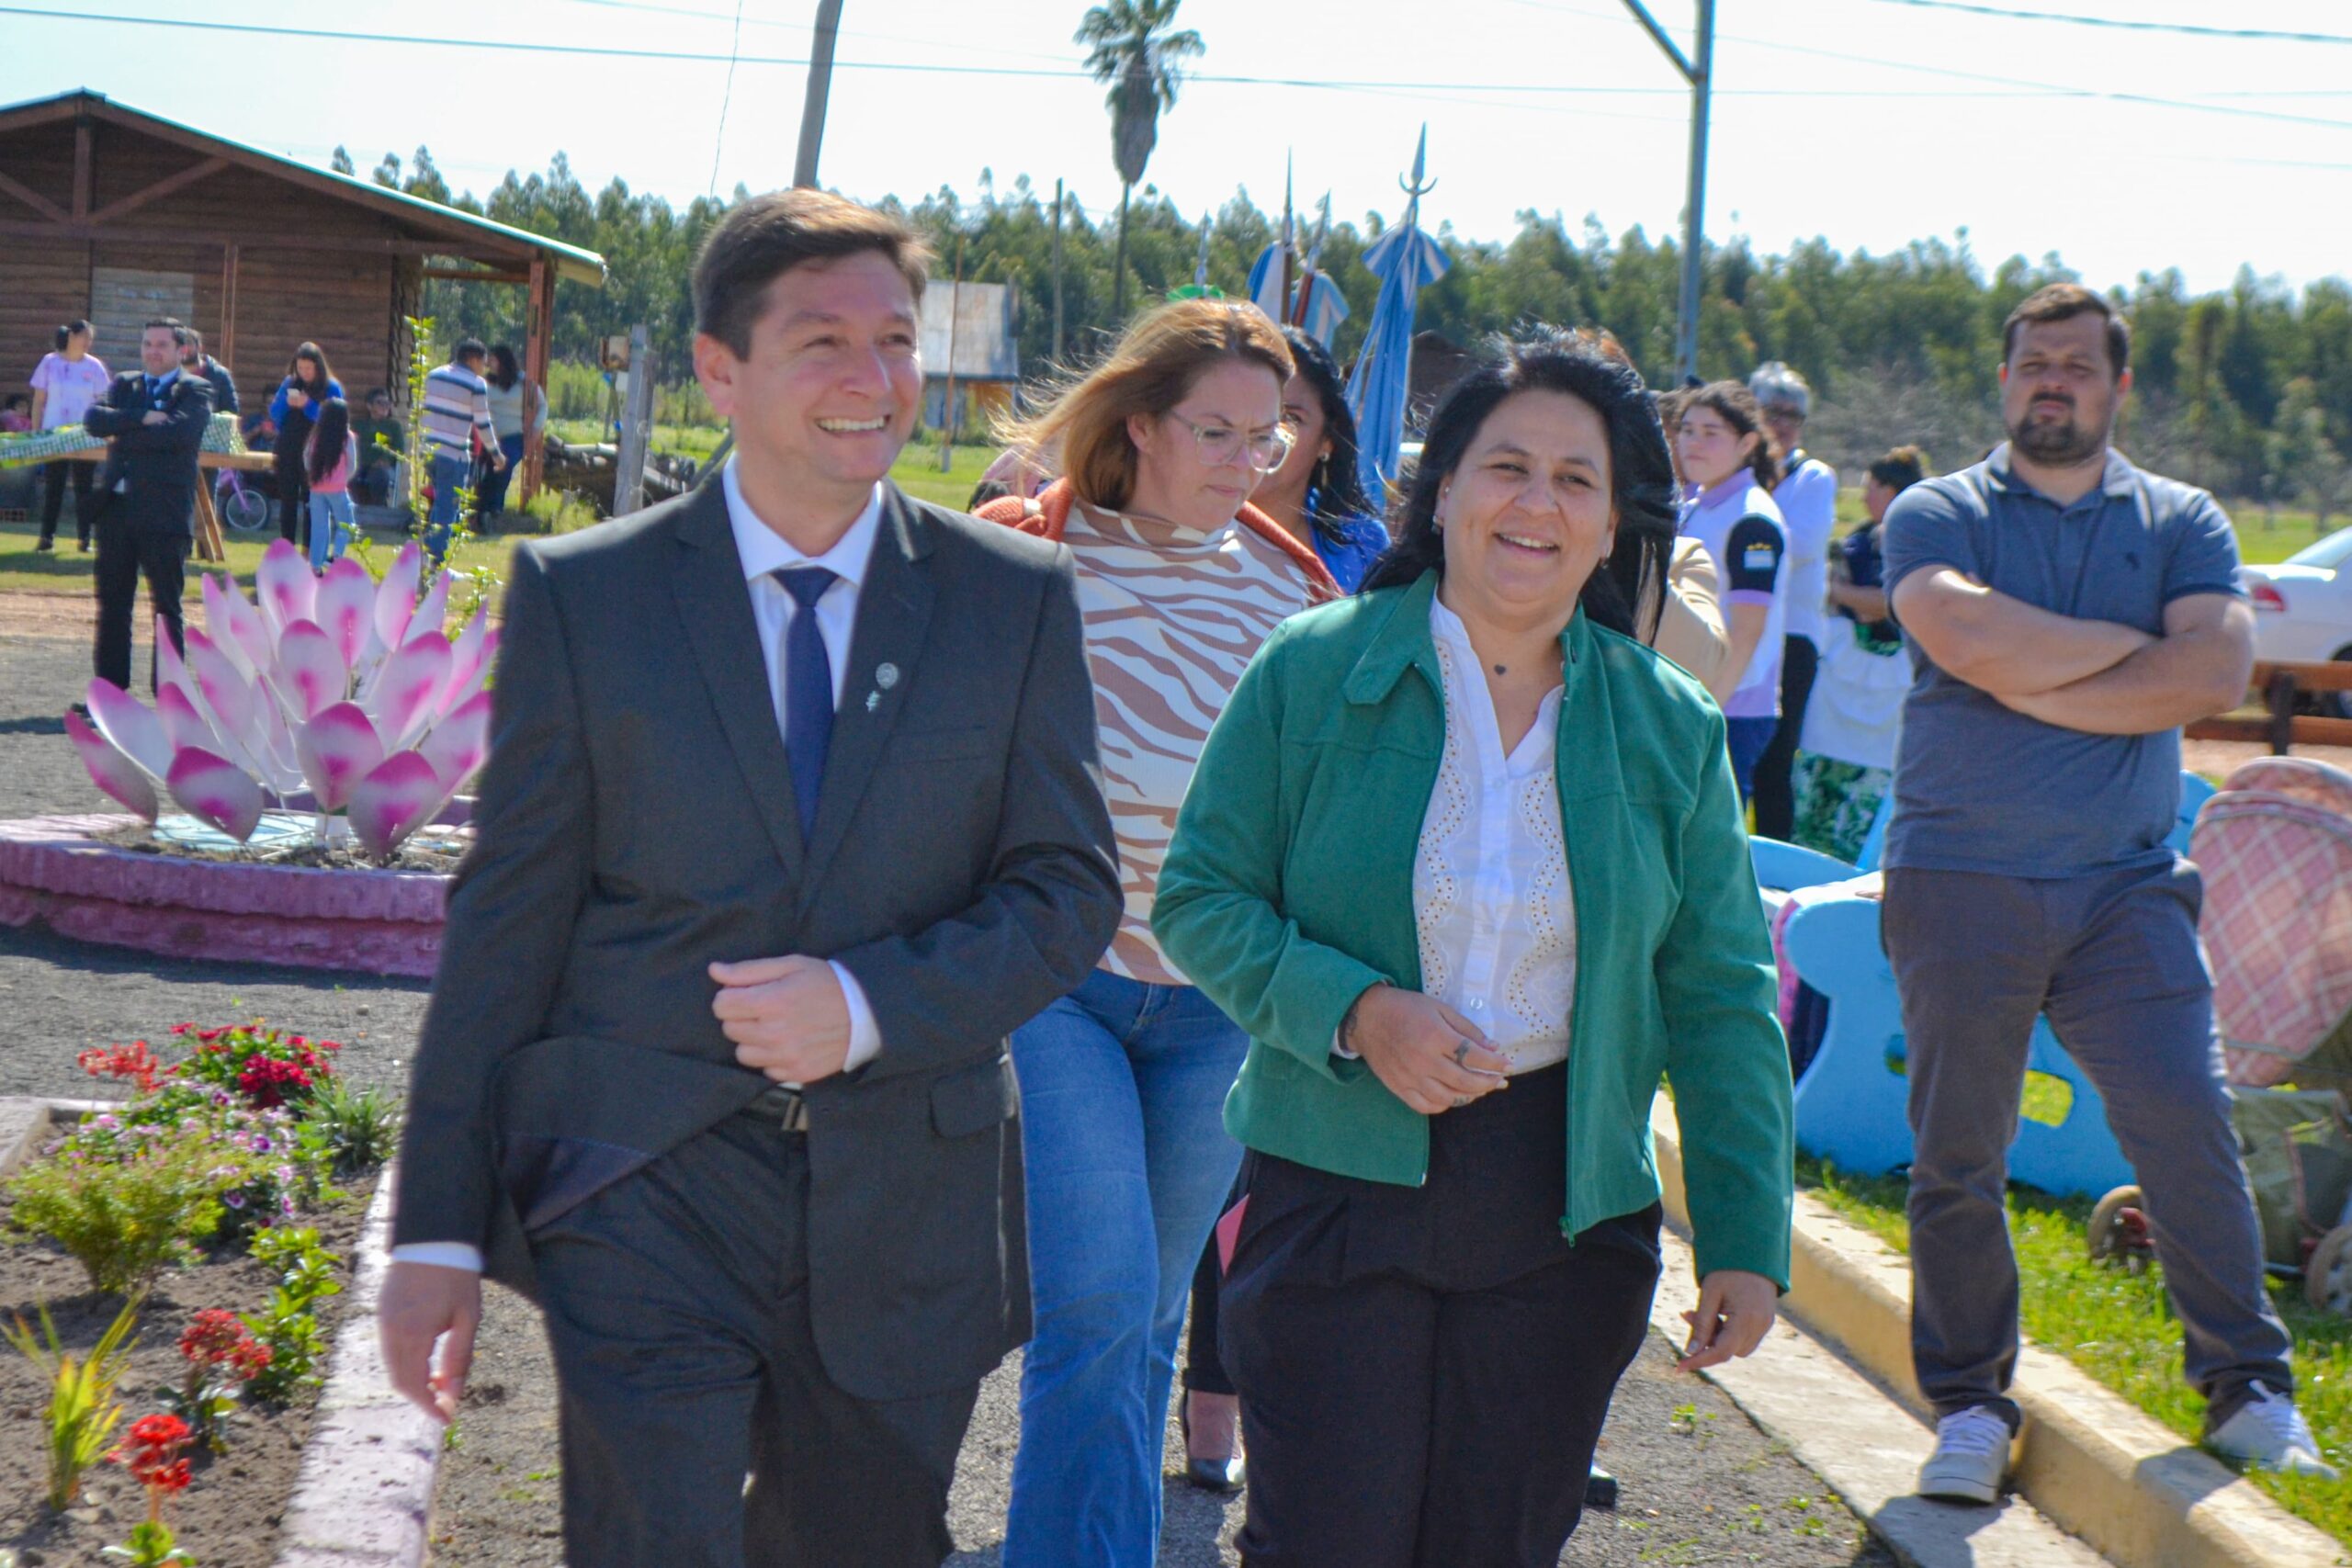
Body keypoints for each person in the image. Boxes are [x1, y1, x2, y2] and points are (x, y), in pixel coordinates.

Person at [377, 188, 1122, 1568]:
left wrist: (868, 1004)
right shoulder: (585, 596)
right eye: (822, 341)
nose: (872, 378)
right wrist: (436, 1230)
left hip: (905, 1199)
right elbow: (508, 922)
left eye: (893, 340)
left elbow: (1067, 890)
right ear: (719, 370)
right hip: (639, 1180)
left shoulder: (1012, 597)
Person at [1152, 332, 1793, 1567]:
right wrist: (1357, 1010)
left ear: (1612, 526)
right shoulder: (1311, 668)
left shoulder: (1669, 723)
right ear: (1441, 489)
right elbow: (1201, 899)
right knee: (1325, 1545)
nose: (1535, 503)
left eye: (1574, 478)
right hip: (1333, 1182)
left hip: (1563, 1212)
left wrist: (1745, 1236)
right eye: (1506, 466)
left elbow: (1721, 994)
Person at [1883, 282, 2325, 1502]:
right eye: (2035, 361)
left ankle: (2248, 1388)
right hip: (1959, 872)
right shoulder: (1938, 509)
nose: (2053, 381)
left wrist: (2028, 669)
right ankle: (1970, 1406)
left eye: (2078, 364)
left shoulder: (2182, 519)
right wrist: (2135, 655)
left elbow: (2217, 668)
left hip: (2126, 885)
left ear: (2118, 386)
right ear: (2005, 378)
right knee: (1958, 1153)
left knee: (2187, 1116)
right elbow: (1958, 636)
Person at [971, 299, 1337, 1568]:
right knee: (1101, 1305)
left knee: (1144, 1326)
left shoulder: (1298, 592)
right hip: (1057, 984)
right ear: (1140, 423)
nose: (1250, 459)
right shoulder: (1025, 551)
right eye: (1216, 431)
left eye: (1269, 434)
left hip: (1216, 1006)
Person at [1787, 445, 1926, 863]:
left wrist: (1840, 591)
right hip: (1843, 675)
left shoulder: (1920, 541)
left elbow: (1890, 603)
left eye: (1872, 488)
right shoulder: (1859, 541)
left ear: (1891, 490)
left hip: (1897, 678)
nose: (1865, 497)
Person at [84, 318, 211, 694]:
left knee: (166, 609)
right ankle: (111, 693)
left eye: (161, 345)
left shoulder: (195, 389)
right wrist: (139, 417)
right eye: (147, 344)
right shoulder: (125, 384)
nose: (153, 351)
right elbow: (93, 420)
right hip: (116, 510)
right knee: (112, 605)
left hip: (164, 514)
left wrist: (122, 432)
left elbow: (178, 435)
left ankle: (169, 694)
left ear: (181, 350)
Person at [1675, 380, 1789, 801]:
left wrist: (1708, 711)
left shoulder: (1751, 519)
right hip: (1689, 698)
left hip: (1730, 708)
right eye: (1687, 430)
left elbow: (1747, 631)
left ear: (1746, 443)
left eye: (1711, 433)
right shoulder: (1695, 506)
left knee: (1712, 832)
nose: (1693, 443)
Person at [1747, 363, 1837, 840]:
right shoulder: (1736, 476)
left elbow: (1798, 545)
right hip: (1739, 632)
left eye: (1792, 416)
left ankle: (1774, 864)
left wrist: (1742, 534)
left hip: (1792, 638)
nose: (1780, 425)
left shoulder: (1813, 477)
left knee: (1775, 764)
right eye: (1771, 412)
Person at [1250, 326, 1390, 592]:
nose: (1267, 433)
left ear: (1327, 439)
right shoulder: (1183, 533)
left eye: (1290, 418)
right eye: (1252, 411)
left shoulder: (1364, 544)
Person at [29, 320, 108, 551]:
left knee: (84, 488)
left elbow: (104, 401)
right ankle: (47, 537)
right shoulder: (50, 362)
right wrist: (36, 432)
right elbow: (39, 401)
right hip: (55, 434)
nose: (87, 342)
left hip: (84, 435)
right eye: (84, 336)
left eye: (90, 338)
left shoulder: (94, 366)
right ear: (72, 336)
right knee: (54, 487)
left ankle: (85, 539)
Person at [421, 339, 500, 560]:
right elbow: (482, 423)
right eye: (483, 363)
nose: (484, 368)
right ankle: (435, 561)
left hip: (428, 450)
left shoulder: (434, 375)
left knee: (438, 505)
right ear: (473, 359)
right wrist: (496, 454)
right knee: (447, 510)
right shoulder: (476, 384)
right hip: (453, 453)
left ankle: (426, 554)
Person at [268, 344, 343, 547]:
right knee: (288, 500)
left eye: (308, 368)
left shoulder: (331, 387)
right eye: (300, 368)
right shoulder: (290, 383)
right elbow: (275, 414)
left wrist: (308, 406)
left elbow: (335, 420)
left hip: (317, 451)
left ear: (318, 366)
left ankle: (310, 550)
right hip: (288, 447)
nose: (304, 373)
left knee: (313, 502)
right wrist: (286, 403)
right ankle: (287, 548)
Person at [475, 343, 543, 524]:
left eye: (493, 360)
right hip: (488, 435)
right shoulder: (486, 382)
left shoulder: (523, 382)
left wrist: (536, 428)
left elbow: (542, 405)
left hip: (513, 437)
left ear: (503, 361)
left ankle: (494, 508)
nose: (489, 363)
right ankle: (484, 510)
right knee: (486, 472)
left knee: (504, 466)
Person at [305, 394, 357, 572]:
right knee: (347, 524)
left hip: (316, 487)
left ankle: (315, 565)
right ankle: (336, 556)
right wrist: (343, 479)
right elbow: (352, 464)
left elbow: (307, 458)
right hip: (337, 488)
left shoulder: (316, 436)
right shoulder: (346, 437)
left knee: (319, 528)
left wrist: (313, 475)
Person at [352, 388, 406, 507]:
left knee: (380, 476)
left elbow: (399, 450)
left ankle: (379, 509)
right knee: (348, 475)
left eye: (387, 403)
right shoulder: (359, 425)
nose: (385, 406)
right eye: (380, 403)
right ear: (369, 406)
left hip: (382, 467)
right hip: (360, 464)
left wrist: (386, 460)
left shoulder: (393, 426)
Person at [180, 328, 239, 416]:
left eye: (189, 343)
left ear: (199, 347)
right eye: (180, 344)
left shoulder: (219, 375)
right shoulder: (169, 375)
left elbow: (231, 412)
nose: (185, 348)